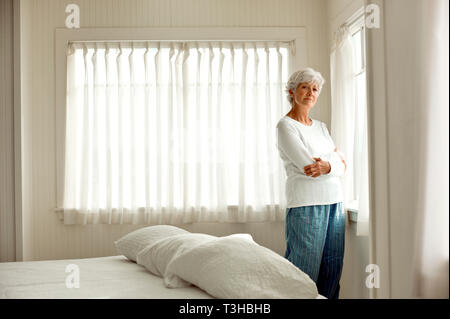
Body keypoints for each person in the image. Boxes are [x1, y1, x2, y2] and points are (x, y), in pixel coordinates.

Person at [276, 67, 347, 299]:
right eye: (304, 87)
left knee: (332, 270)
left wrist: (328, 165)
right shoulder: (286, 126)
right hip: (306, 205)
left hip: (335, 203)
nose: (310, 92)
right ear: (292, 91)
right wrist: (332, 163)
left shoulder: (321, 127)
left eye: (315, 89)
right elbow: (308, 167)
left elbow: (342, 163)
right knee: (303, 272)